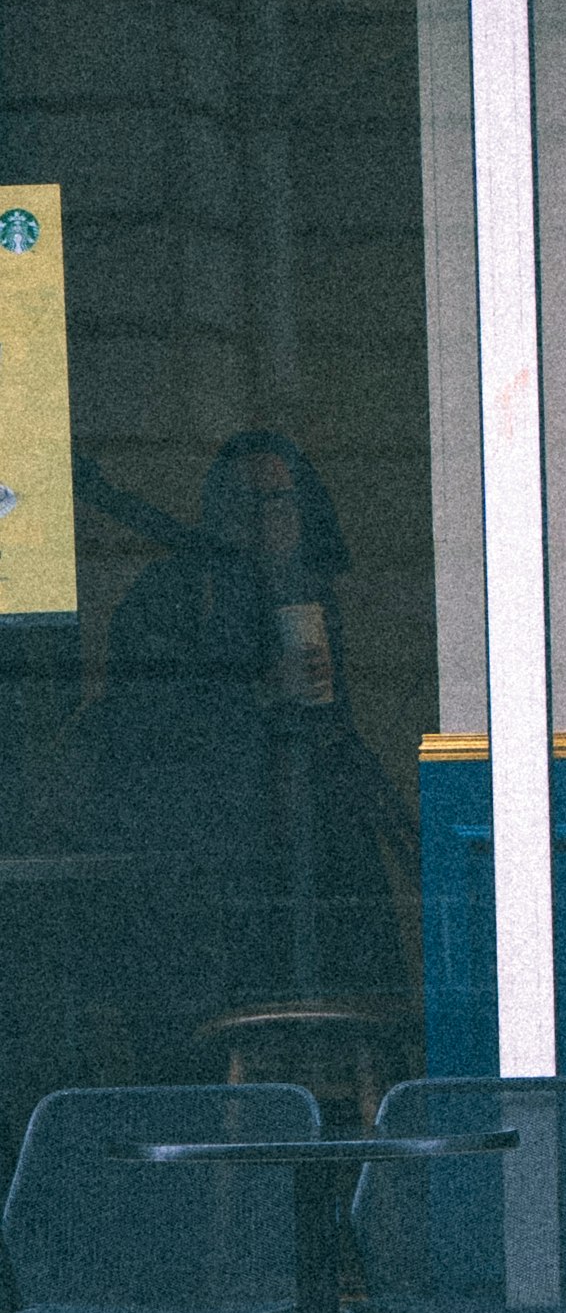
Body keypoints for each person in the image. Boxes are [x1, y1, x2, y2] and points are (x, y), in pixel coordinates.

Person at [77, 429, 412, 1049]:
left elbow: (333, 725)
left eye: (281, 501)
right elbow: (139, 721)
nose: (267, 520)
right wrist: (259, 694)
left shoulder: (309, 595)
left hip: (318, 848)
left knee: (350, 1026)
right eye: (247, 502)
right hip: (212, 863)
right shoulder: (172, 594)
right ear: (219, 507)